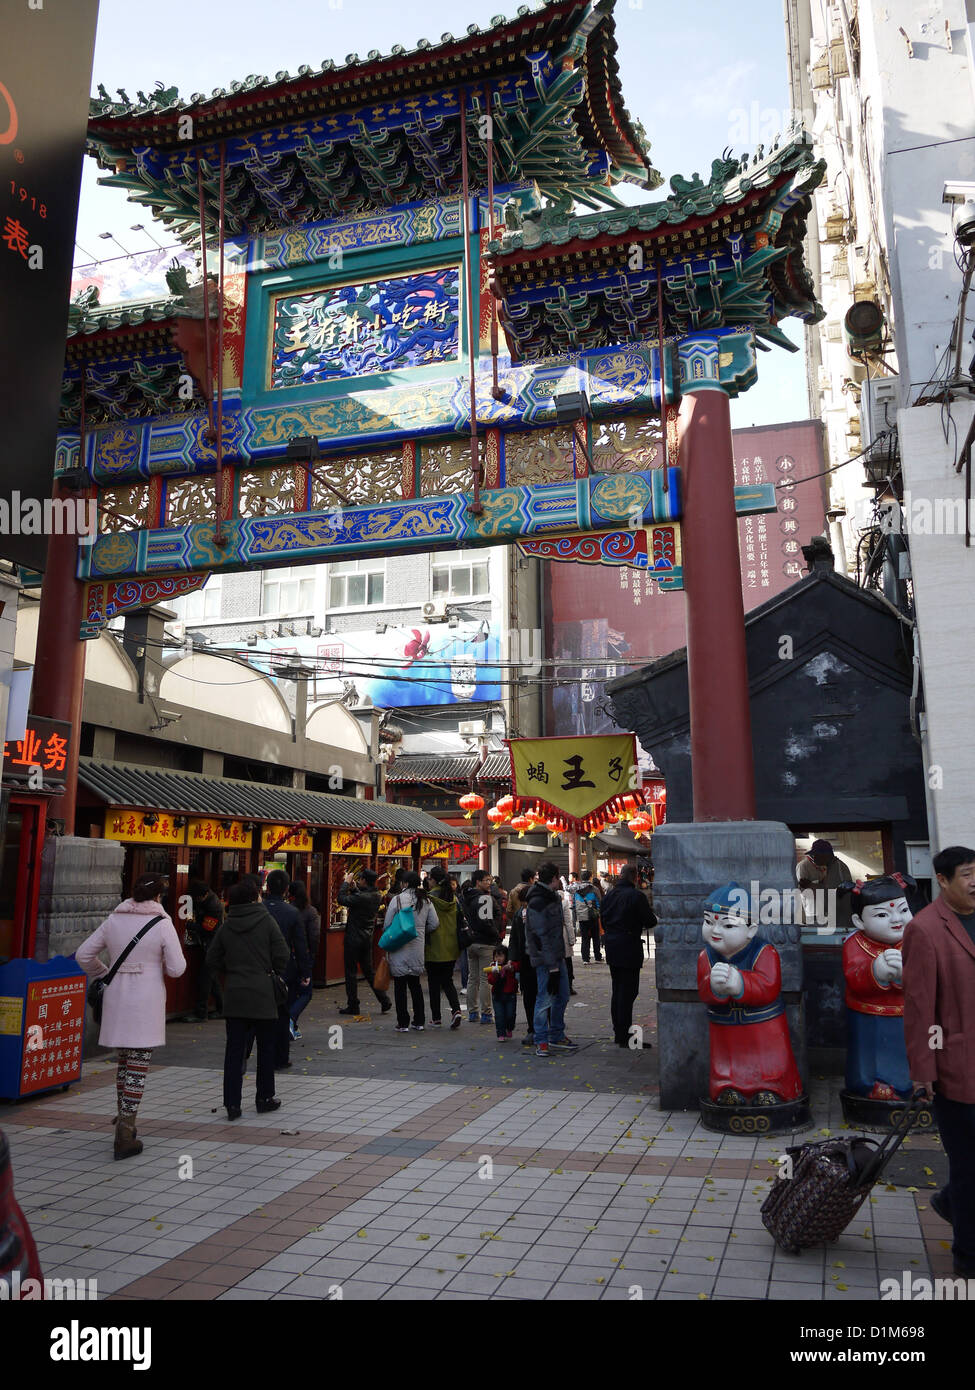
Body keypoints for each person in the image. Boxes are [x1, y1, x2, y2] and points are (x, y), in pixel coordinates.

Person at [76, 873, 185, 1159]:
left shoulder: (115, 919)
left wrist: (106, 973)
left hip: (116, 998)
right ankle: (125, 1132)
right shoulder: (162, 924)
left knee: (125, 1061)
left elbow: (83, 954)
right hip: (145, 1000)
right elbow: (176, 968)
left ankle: (125, 1123)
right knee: (138, 1065)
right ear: (158, 897)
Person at [903, 845, 975, 1278]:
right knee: (969, 1167)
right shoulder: (925, 930)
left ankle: (949, 1203)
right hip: (957, 1068)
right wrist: (923, 1072)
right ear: (943, 880)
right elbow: (919, 1008)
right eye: (967, 874)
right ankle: (967, 1256)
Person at [206, 879, 289, 1118]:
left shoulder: (227, 925)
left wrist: (231, 971)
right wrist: (269, 971)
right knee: (266, 1049)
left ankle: (232, 1104)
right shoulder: (266, 921)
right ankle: (264, 1097)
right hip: (263, 995)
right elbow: (282, 955)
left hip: (235, 995)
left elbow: (212, 959)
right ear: (254, 898)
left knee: (234, 1051)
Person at [525, 861, 578, 1058]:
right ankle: (542, 1040)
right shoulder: (539, 900)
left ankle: (557, 1033)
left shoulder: (552, 897)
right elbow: (540, 935)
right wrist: (552, 966)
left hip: (557, 955)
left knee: (562, 995)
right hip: (545, 959)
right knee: (544, 998)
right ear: (554, 878)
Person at [600, 864, 656, 1047]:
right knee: (628, 992)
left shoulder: (609, 895)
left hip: (612, 944)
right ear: (634, 877)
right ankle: (624, 1036)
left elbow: (603, 918)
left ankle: (619, 1032)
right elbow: (650, 920)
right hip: (629, 946)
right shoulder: (636, 896)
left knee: (618, 990)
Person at [263, 869, 308, 1069]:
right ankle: (281, 1057)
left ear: (267, 886)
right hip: (284, 970)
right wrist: (305, 971)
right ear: (286, 889)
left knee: (261, 1015)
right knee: (282, 1014)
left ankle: (260, 1053)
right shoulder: (292, 913)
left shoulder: (260, 909)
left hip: (261, 968)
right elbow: (300, 944)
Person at [383, 870, 439, 1031]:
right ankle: (419, 1021)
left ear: (405, 884)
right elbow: (434, 923)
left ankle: (403, 1022)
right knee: (415, 985)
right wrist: (421, 930)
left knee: (400, 986)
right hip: (417, 947)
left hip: (399, 946)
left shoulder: (397, 899)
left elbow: (387, 924)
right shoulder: (426, 900)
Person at [337, 869, 390, 1016]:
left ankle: (353, 1004)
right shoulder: (376, 895)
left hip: (353, 939)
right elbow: (359, 899)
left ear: (364, 881)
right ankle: (384, 1000)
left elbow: (341, 899)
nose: (359, 881)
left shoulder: (363, 897)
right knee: (368, 972)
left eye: (360, 880)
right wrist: (354, 889)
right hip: (367, 939)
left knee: (351, 973)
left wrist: (346, 883)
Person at [460, 869, 504, 1024]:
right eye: (486, 880)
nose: (489, 883)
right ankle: (486, 1013)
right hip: (485, 942)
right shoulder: (484, 898)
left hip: (470, 942)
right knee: (485, 978)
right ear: (477, 882)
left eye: (490, 880)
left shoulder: (465, 896)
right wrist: (496, 936)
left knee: (472, 978)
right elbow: (486, 922)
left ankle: (472, 1012)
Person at [181, 878, 225, 1021]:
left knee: (205, 979)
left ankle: (201, 1013)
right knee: (211, 979)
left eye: (198, 897)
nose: (196, 900)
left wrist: (189, 925)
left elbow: (207, 928)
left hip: (213, 946)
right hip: (210, 945)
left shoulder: (213, 906)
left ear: (204, 895)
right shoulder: (205, 901)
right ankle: (222, 1008)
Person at [426, 866, 463, 1029]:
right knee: (447, 981)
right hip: (451, 946)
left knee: (433, 983)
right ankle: (456, 1010)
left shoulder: (429, 899)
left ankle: (436, 1018)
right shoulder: (454, 899)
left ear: (433, 880)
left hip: (433, 946)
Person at [797, 838, 855, 934]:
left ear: (825, 855)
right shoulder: (832, 867)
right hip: (835, 917)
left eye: (815, 855)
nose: (813, 857)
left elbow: (833, 894)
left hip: (842, 920)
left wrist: (810, 885)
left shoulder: (838, 868)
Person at [507, 868, 538, 1045]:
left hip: (539, 959)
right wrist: (513, 958)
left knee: (541, 993)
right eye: (524, 903)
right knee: (529, 994)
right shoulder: (520, 915)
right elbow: (514, 940)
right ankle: (532, 1028)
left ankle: (540, 1027)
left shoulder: (540, 915)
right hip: (525, 960)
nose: (526, 907)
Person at [287, 881, 321, 1040]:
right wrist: (312, 954)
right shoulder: (310, 912)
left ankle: (292, 1025)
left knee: (292, 991)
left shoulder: (288, 910)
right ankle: (291, 1019)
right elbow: (314, 936)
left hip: (288, 956)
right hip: (304, 955)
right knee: (306, 992)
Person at [485, 945, 518, 1040]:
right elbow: (490, 980)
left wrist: (510, 967)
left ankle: (509, 1028)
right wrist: (495, 975)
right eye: (496, 956)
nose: (498, 959)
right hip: (497, 995)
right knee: (499, 1015)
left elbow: (516, 967)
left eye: (500, 956)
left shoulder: (509, 965)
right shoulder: (492, 966)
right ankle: (501, 1033)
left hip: (510, 994)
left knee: (510, 1014)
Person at [570, 870, 603, 964]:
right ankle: (597, 957)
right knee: (596, 937)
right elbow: (599, 901)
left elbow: (574, 904)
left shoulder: (576, 889)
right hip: (593, 915)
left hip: (581, 917)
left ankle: (585, 958)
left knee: (585, 938)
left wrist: (576, 916)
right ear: (590, 877)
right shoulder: (594, 889)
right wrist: (598, 911)